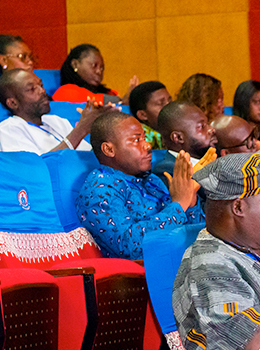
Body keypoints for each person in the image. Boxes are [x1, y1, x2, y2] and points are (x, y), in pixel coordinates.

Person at [76, 111, 203, 260]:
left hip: (183, 260)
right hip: (144, 276)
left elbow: (197, 235)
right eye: (136, 140)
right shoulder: (100, 187)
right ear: (109, 149)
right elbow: (129, 246)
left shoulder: (151, 180)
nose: (148, 145)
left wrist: (191, 200)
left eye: (144, 138)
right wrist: (180, 204)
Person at [0, 69, 106, 154]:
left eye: (41, 85)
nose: (42, 91)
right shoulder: (10, 129)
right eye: (32, 89)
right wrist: (80, 130)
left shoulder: (56, 121)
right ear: (13, 103)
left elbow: (88, 154)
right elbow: (38, 170)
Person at [54, 44, 136, 105]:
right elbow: (98, 103)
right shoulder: (65, 92)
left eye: (102, 68)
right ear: (75, 64)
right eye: (94, 66)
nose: (99, 72)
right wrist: (123, 100)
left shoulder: (110, 92)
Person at [128, 81, 172, 148]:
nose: (170, 106)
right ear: (143, 115)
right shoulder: (143, 141)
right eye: (161, 103)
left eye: (170, 101)